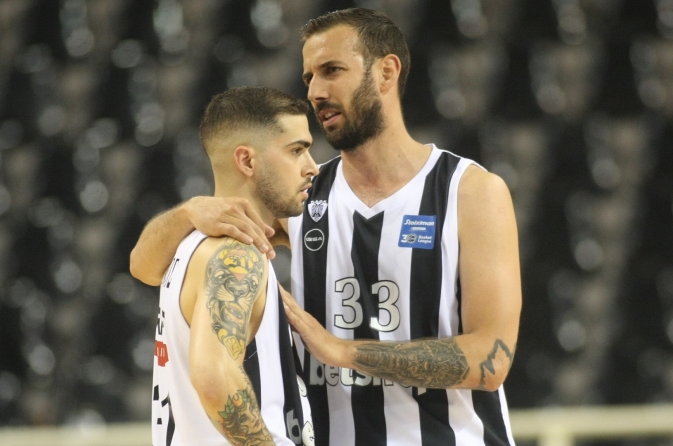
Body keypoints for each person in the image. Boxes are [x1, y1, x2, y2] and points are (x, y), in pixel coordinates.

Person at [132, 8, 522, 446]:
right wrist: (187, 213)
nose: (315, 91)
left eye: (331, 70)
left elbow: (491, 359)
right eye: (309, 77)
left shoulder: (470, 191)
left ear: (386, 72)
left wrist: (343, 351)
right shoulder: (301, 195)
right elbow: (146, 267)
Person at [149, 86, 316, 446]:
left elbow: (139, 265)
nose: (312, 167)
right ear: (247, 162)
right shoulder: (236, 255)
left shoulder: (188, 241)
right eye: (296, 151)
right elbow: (214, 378)